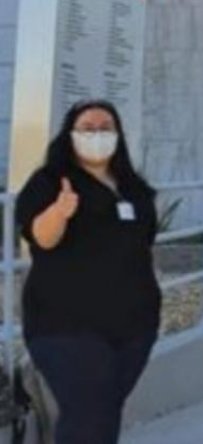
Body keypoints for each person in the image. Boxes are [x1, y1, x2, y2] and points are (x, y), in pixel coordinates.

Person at [14, 99, 161, 444]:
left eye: (106, 127)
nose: (98, 134)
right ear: (70, 135)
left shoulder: (133, 188)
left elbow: (145, 246)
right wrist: (61, 212)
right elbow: (41, 238)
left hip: (132, 328)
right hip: (65, 326)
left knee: (104, 413)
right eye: (88, 128)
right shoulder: (50, 181)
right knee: (86, 413)